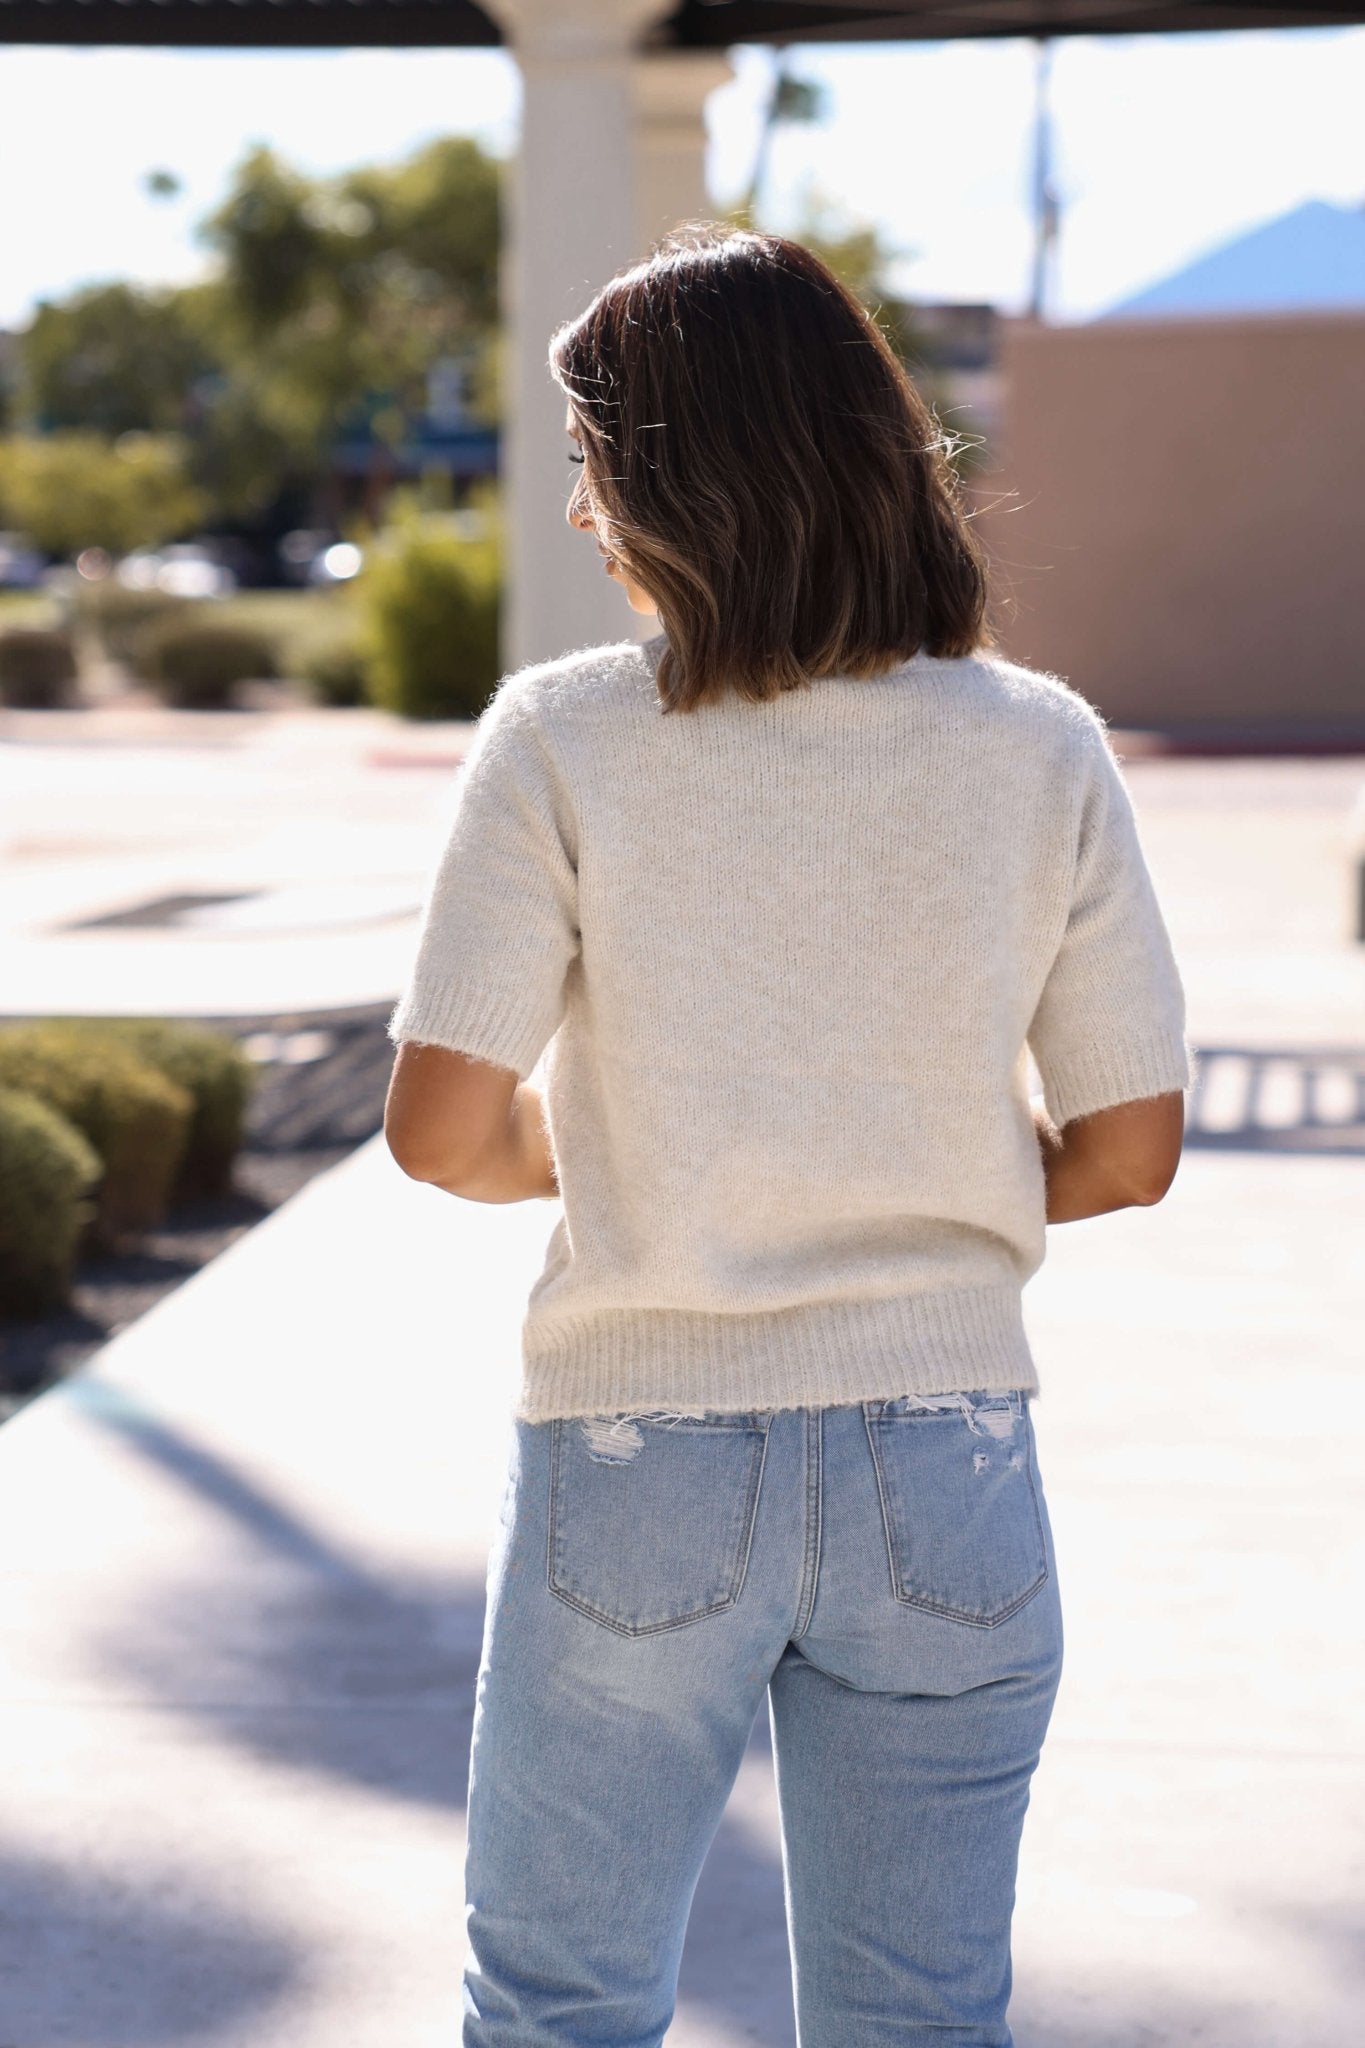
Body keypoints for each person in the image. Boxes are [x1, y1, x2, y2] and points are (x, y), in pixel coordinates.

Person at [383, 224, 1190, 2048]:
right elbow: (1128, 1146)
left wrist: (618, 1163)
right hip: (950, 1476)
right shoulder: (1039, 746)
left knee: (559, 2006)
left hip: (636, 1459)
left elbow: (441, 1131)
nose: (586, 519)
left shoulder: (564, 738)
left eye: (596, 470)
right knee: (920, 2018)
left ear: (669, 479)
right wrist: (939, 1181)